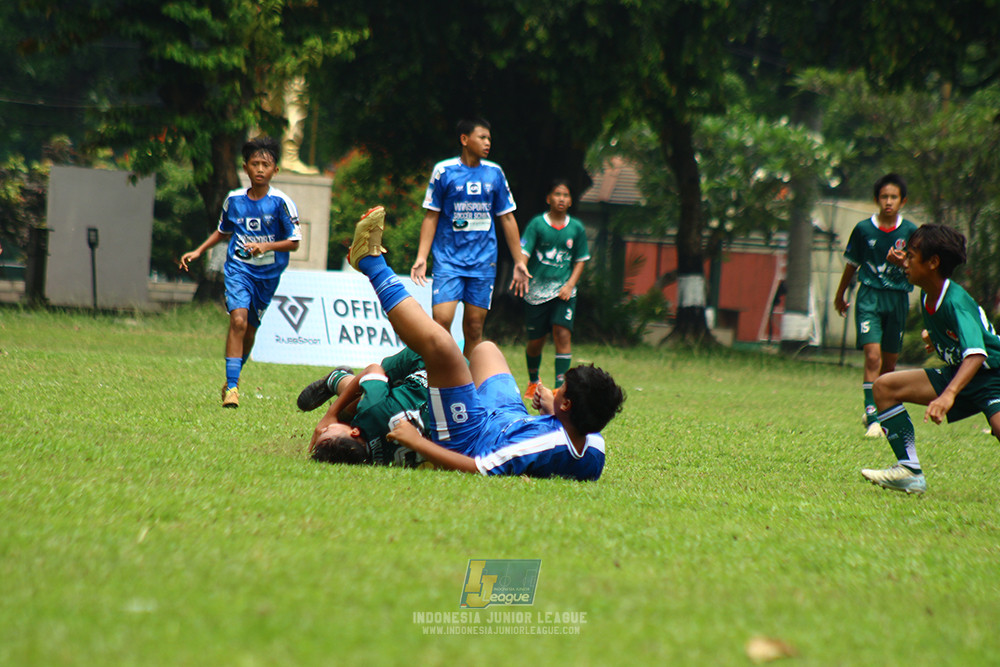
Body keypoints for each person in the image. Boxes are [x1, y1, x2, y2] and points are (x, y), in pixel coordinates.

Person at [351, 205, 624, 479]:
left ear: (568, 406)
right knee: (485, 350)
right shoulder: (593, 442)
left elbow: (478, 467)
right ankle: (437, 390)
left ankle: (370, 262)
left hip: (471, 436)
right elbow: (569, 447)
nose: (557, 390)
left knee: (441, 345)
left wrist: (416, 441)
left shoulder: (537, 445)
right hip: (509, 417)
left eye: (562, 389)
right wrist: (552, 409)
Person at [861, 224, 1000, 495]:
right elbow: (921, 268)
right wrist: (903, 260)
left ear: (933, 262)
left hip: (993, 376)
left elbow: (976, 354)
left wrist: (947, 396)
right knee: (884, 387)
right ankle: (909, 471)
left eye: (911, 255)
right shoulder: (929, 288)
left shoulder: (955, 301)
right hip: (960, 373)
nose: (906, 261)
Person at [179, 136, 301, 408]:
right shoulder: (233, 200)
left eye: (265, 165)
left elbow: (294, 242)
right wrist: (199, 251)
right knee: (238, 322)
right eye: (254, 164)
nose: (260, 169)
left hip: (268, 275)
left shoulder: (281, 203)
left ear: (275, 171)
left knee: (250, 332)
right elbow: (224, 231)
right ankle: (233, 387)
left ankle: (232, 377)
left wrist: (265, 246)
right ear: (245, 167)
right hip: (238, 269)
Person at [409, 118, 530, 358]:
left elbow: (507, 218)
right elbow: (431, 216)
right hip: (448, 259)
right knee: (441, 321)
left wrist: (519, 262)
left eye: (489, 139)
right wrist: (422, 256)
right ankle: (446, 376)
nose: (487, 143)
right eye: (482, 137)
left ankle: (469, 383)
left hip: (483, 261)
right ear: (465, 140)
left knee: (475, 327)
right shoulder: (444, 171)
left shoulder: (494, 173)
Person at [834, 173, 917, 437]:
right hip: (869, 295)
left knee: (889, 365)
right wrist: (840, 295)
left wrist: (902, 263)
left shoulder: (910, 232)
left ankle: (881, 411)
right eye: (884, 197)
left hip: (897, 299)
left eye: (893, 197)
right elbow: (852, 264)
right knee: (872, 356)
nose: (888, 202)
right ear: (876, 199)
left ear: (902, 201)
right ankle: (872, 416)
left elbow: (918, 269)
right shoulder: (863, 229)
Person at [300, 347, 433, 468]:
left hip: (431, 389)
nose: (323, 429)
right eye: (326, 431)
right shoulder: (371, 410)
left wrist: (332, 415)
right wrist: (332, 413)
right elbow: (373, 369)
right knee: (359, 397)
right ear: (354, 432)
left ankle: (335, 379)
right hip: (424, 363)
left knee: (361, 396)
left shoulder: (380, 463)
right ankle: (339, 378)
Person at [520, 179, 590, 400]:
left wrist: (570, 285)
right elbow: (525, 251)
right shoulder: (537, 224)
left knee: (562, 333)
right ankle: (533, 381)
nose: (562, 199)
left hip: (564, 291)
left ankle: (560, 387)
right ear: (548, 198)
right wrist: (520, 268)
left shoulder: (576, 228)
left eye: (566, 195)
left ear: (570, 201)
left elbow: (580, 260)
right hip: (536, 292)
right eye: (558, 194)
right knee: (536, 341)